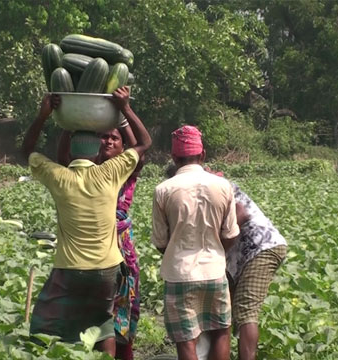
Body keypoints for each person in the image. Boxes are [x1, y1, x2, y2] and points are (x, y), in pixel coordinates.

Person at [21, 86, 152, 357]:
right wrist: (125, 108)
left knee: (45, 323)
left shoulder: (59, 176)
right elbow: (144, 143)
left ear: (71, 152)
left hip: (69, 268)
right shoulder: (111, 173)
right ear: (95, 153)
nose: (108, 142)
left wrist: (48, 115)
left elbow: (28, 150)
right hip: (108, 267)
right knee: (104, 322)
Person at [151, 125, 240, 360]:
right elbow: (230, 234)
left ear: (173, 157)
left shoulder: (163, 190)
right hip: (214, 270)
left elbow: (160, 241)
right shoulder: (223, 186)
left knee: (186, 339)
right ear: (202, 155)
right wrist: (216, 251)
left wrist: (175, 252)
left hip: (179, 273)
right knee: (221, 331)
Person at [57, 119, 143, 360]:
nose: (108, 141)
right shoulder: (85, 170)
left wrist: (123, 120)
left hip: (120, 249)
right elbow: (62, 158)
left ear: (123, 147)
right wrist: (68, 126)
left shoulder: (125, 169)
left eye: (114, 138)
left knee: (120, 314)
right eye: (104, 137)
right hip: (90, 247)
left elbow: (140, 149)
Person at [225, 182, 287, 360]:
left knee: (246, 310)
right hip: (240, 256)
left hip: (260, 247)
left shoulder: (215, 185)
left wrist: (221, 245)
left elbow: (241, 214)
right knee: (225, 307)